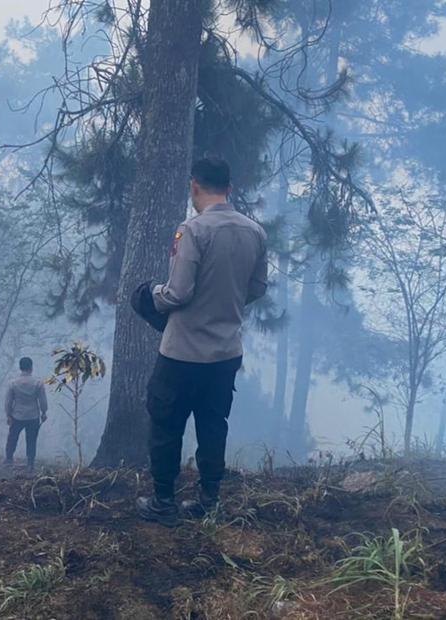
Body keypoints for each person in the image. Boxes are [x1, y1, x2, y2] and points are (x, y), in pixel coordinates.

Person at [136, 156, 269, 526]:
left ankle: (164, 501)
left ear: (195, 185)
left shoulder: (193, 230)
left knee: (166, 424)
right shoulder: (255, 232)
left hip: (182, 352)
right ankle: (209, 499)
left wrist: (150, 295)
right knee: (213, 425)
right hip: (226, 352)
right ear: (230, 188)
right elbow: (257, 287)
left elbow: (178, 293)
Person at [4, 356, 48, 470]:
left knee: (12, 437)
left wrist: (8, 414)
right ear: (31, 368)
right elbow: (42, 400)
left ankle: (9, 459)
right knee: (31, 440)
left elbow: (8, 401)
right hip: (33, 416)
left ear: (20, 367)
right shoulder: (38, 383)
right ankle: (30, 463)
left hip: (17, 415)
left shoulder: (13, 383)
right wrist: (44, 412)